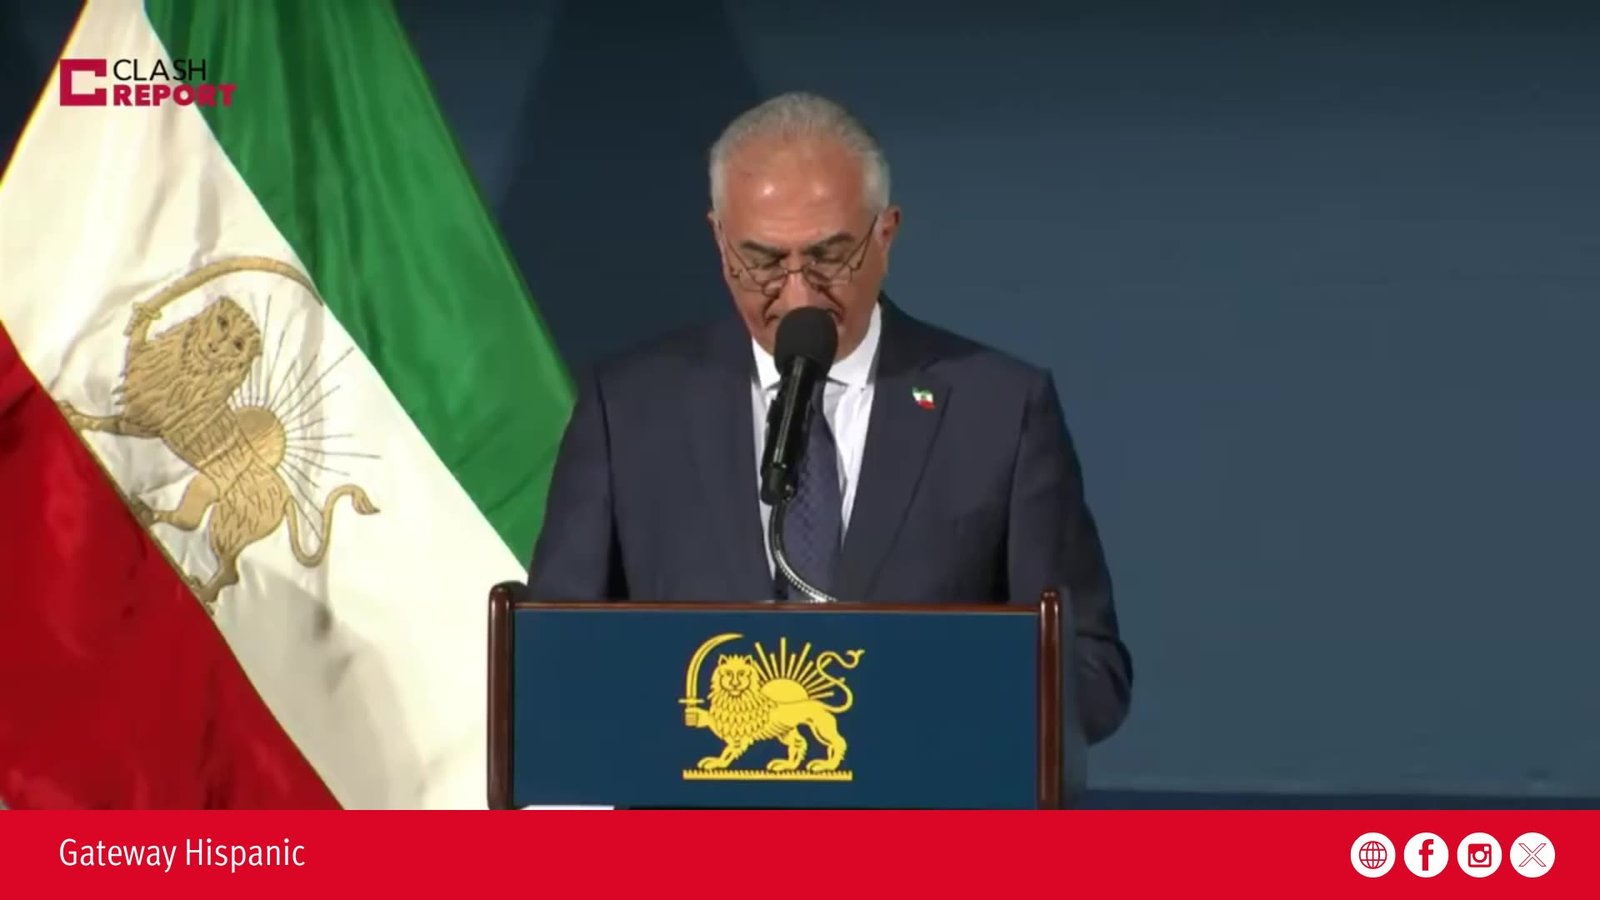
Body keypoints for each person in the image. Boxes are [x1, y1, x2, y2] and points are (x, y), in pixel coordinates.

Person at [527, 92, 1132, 744]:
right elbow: (554, 659)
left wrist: (932, 706)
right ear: (719, 241)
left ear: (885, 234)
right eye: (763, 262)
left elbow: (1091, 675)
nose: (799, 295)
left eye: (828, 258)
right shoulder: (628, 410)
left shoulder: (1000, 411)